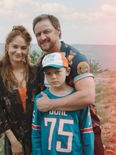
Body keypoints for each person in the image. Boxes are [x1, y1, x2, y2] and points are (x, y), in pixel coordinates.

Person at [32, 14, 104, 155]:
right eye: (38, 34)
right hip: (52, 138)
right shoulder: (41, 63)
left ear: (58, 30)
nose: (42, 37)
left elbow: (87, 97)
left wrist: (51, 104)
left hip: (82, 131)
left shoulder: (76, 58)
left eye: (46, 31)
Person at [32, 52, 94, 155]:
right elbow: (36, 132)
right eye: (48, 73)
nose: (53, 76)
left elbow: (86, 133)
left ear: (67, 71)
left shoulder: (77, 99)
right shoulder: (40, 99)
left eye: (57, 72)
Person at [0, 25, 37, 155]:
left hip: (37, 136)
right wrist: (14, 142)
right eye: (15, 46)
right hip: (13, 139)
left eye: (23, 48)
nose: (19, 51)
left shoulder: (34, 73)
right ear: (7, 47)